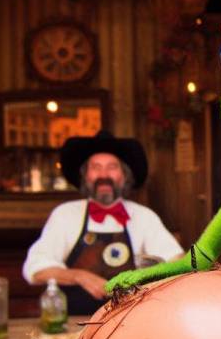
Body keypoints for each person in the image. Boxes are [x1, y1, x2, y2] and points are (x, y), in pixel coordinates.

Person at [23, 131, 183, 315]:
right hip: (75, 323)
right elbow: (35, 269)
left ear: (124, 175)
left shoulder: (144, 216)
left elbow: (176, 261)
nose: (104, 174)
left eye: (112, 167)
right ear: (85, 176)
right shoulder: (65, 215)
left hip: (131, 321)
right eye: (96, 167)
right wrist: (79, 276)